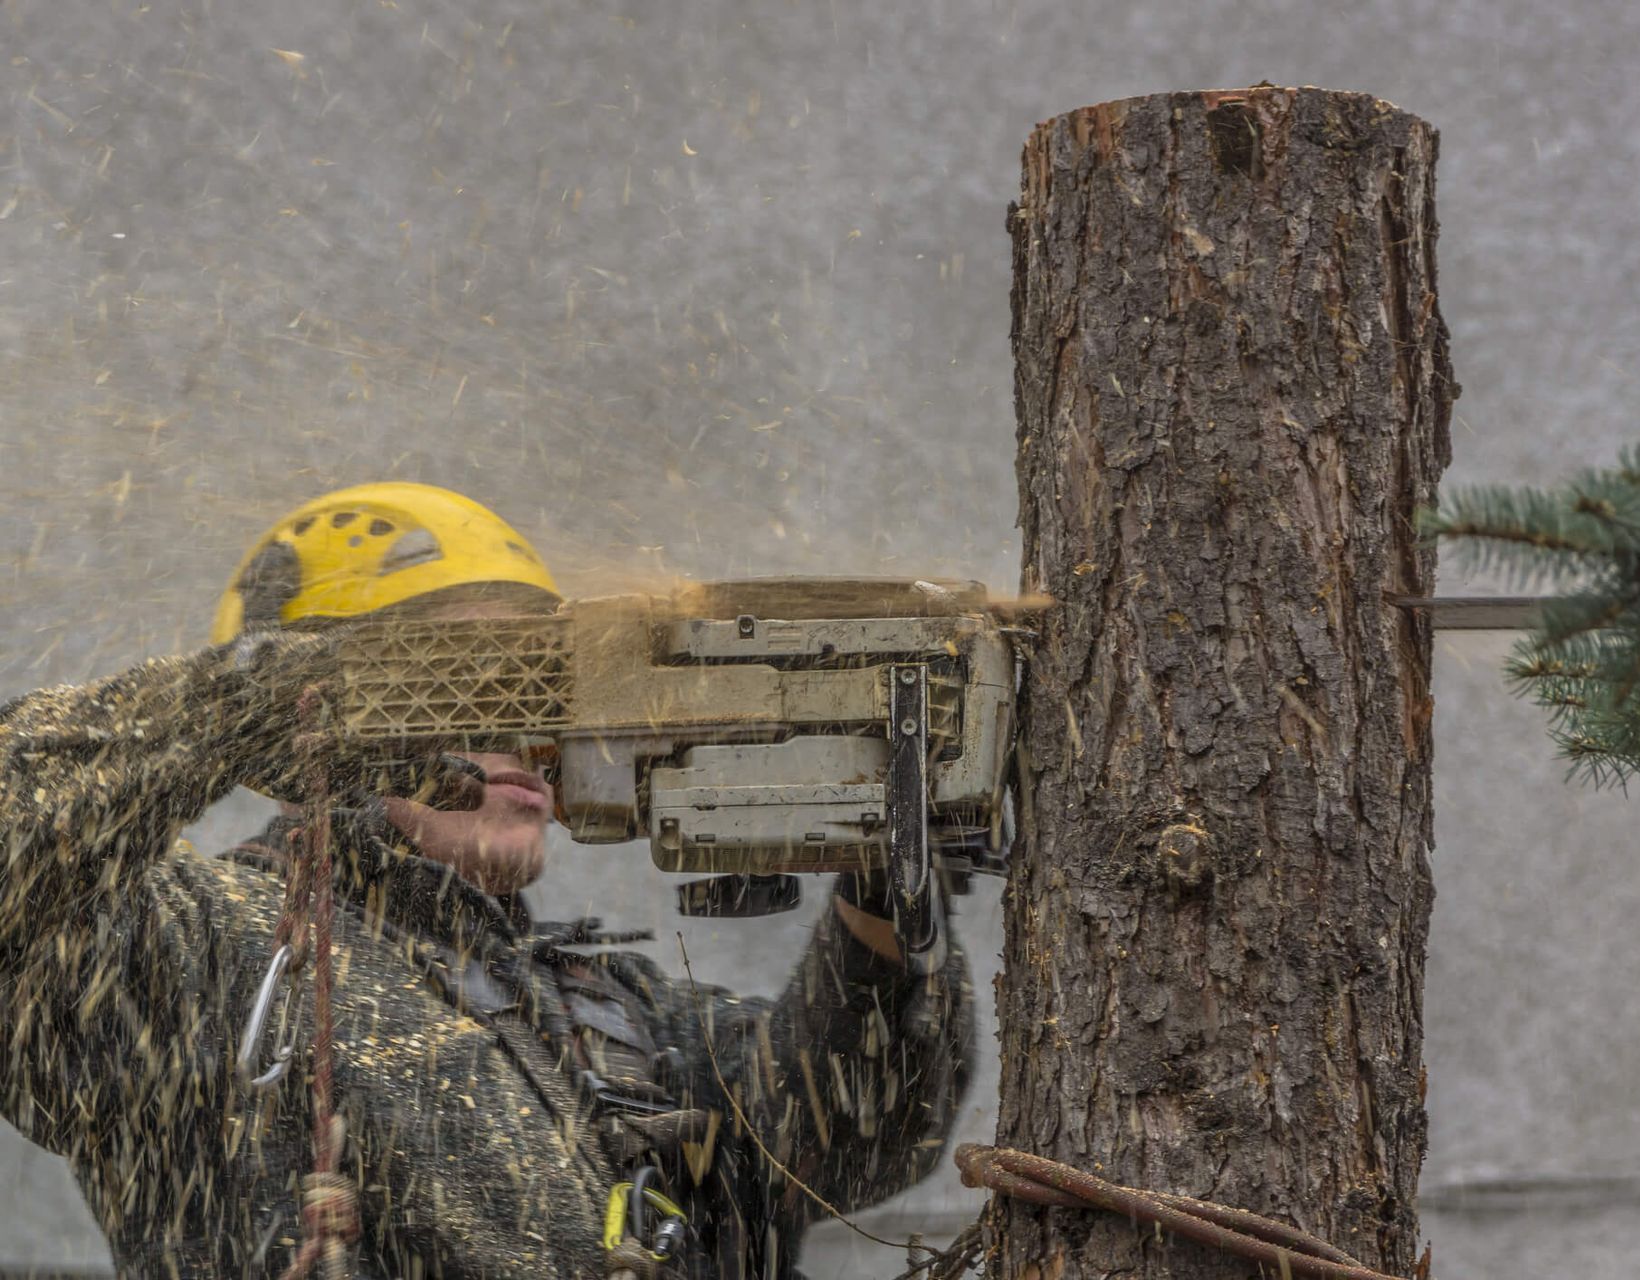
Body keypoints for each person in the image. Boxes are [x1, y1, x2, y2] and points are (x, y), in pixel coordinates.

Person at [0, 483, 972, 1279]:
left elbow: (847, 1127)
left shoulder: (608, 1013)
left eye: (542, 689)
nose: (522, 729)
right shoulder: (195, 950)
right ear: (326, 713)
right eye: (471, 682)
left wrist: (884, 881)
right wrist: (248, 696)